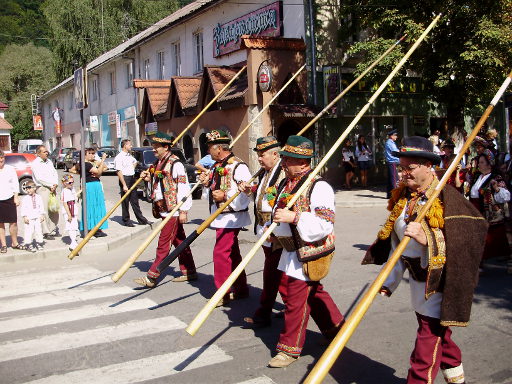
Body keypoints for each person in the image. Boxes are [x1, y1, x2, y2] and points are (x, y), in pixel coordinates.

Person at [362, 136, 488, 384]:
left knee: (428, 338)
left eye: (410, 167)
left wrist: (427, 238)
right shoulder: (404, 199)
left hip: (439, 285)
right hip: (417, 285)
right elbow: (398, 246)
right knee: (438, 332)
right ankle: (454, 372)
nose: (403, 173)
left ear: (429, 167)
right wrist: (389, 281)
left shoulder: (446, 198)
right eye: (401, 167)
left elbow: (470, 238)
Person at [266, 135, 345, 368]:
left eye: (289, 159)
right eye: (284, 158)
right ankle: (336, 328)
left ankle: (289, 348)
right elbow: (279, 208)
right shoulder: (285, 183)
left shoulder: (319, 186)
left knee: (295, 299)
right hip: (291, 249)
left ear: (303, 162)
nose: (283, 162)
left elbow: (324, 224)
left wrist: (295, 216)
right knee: (315, 293)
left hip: (311, 249)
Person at [133, 132, 197, 288]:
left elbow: (183, 188)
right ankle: (189, 271)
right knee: (179, 241)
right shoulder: (158, 163)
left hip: (173, 210)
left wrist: (183, 210)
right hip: (163, 209)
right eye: (153, 146)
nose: (153, 149)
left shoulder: (176, 164)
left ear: (166, 147)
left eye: (156, 146)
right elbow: (157, 182)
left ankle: (152, 276)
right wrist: (147, 178)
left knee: (164, 242)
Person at [198, 129, 251, 307]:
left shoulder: (238, 166)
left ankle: (223, 292)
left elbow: (246, 191)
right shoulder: (215, 166)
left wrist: (226, 195)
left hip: (232, 217)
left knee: (220, 252)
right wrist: (207, 184)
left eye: (210, 148)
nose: (208, 152)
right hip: (220, 215)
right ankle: (241, 287)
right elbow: (212, 191)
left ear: (219, 148)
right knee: (232, 253)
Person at [238, 136, 285, 328]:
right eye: (258, 154)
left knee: (272, 273)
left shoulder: (282, 172)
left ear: (275, 154)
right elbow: (263, 196)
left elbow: (280, 199)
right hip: (264, 230)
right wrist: (250, 190)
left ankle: (264, 312)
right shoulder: (266, 172)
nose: (258, 158)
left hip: (278, 232)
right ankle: (292, 306)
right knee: (278, 274)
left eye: (262, 154)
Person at [469, 152, 511, 267]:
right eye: (479, 162)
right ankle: (479, 262)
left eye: (482, 162)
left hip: (489, 214)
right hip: (475, 211)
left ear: (489, 164)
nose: (479, 165)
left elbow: (506, 196)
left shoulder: (496, 178)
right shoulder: (477, 177)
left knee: (488, 238)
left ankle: (480, 262)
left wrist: (497, 189)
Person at [114, 139, 150, 227]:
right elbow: (119, 172)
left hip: (131, 178)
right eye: (129, 145)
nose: (131, 146)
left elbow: (135, 162)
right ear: (125, 146)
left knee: (135, 200)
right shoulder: (119, 157)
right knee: (125, 201)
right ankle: (126, 220)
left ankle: (141, 220)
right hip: (124, 179)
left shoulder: (129, 156)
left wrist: (132, 169)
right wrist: (124, 185)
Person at [31, 145, 59, 240]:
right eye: (44, 152)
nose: (46, 153)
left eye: (47, 151)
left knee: (54, 209)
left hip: (52, 188)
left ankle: (52, 229)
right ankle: (46, 231)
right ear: (38, 154)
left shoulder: (49, 162)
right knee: (45, 210)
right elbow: (39, 178)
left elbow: (54, 173)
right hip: (43, 188)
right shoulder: (35, 163)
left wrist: (55, 183)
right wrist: (50, 185)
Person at [79, 148, 108, 237]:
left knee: (97, 206)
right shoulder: (86, 164)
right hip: (90, 186)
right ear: (84, 155)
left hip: (95, 184)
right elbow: (98, 172)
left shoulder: (90, 163)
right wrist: (102, 160)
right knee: (90, 207)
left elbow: (104, 169)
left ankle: (97, 228)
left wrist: (99, 169)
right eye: (90, 153)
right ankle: (91, 228)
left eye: (93, 153)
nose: (92, 155)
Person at [0, 150, 22, 253]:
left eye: (2, 158)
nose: (1, 160)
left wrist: (16, 197)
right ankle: (4, 245)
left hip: (9, 198)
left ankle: (15, 243)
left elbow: (15, 183)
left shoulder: (10, 169)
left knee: (13, 222)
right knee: (0, 223)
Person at [20, 180, 45, 252]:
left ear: (34, 188)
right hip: (29, 217)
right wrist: (24, 216)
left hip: (37, 216)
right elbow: (23, 208)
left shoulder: (38, 197)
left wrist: (42, 214)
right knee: (29, 231)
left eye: (29, 188)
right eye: (26, 188)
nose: (27, 190)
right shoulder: (25, 198)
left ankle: (39, 242)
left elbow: (41, 206)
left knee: (38, 230)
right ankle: (28, 244)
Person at [60, 174, 79, 251]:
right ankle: (73, 242)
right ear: (64, 183)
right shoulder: (64, 191)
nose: (71, 184)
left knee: (74, 226)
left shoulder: (72, 189)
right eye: (69, 183)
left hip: (73, 208)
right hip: (68, 210)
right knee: (70, 226)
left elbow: (75, 197)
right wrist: (69, 214)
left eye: (72, 182)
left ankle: (74, 241)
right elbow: (65, 203)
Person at [385, 129, 400, 198]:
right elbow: (395, 152)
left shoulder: (391, 142)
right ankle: (395, 195)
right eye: (395, 135)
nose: (396, 137)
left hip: (391, 162)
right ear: (391, 136)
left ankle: (389, 195)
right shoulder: (390, 143)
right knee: (394, 179)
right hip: (392, 162)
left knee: (390, 179)